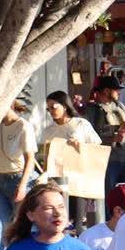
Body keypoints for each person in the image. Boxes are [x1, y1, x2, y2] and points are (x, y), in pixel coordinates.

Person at [42, 90, 104, 229]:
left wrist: (80, 146)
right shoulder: (48, 131)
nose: (51, 111)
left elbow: (96, 147)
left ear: (64, 106)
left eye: (54, 107)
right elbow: (45, 156)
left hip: (80, 180)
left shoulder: (80, 124)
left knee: (80, 221)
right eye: (48, 108)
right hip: (58, 180)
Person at [0, 99, 39, 245]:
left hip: (21, 179)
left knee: (22, 227)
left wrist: (23, 186)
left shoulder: (23, 126)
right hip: (0, 180)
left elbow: (30, 158)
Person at [86, 76, 125, 188]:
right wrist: (112, 139)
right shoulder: (91, 110)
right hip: (106, 161)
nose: (119, 92)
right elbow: (89, 139)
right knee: (110, 197)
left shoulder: (119, 106)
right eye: (116, 89)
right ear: (106, 91)